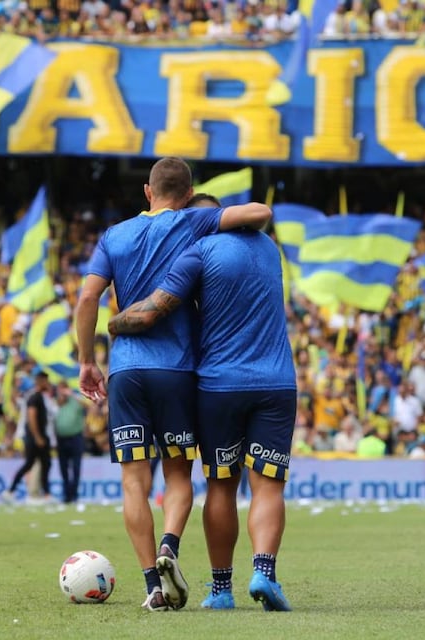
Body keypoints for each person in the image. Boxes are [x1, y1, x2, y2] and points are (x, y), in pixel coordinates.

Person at [75, 158, 272, 611]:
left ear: (147, 191)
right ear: (187, 193)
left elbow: (88, 297)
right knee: (178, 473)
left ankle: (152, 586)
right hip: (178, 371)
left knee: (133, 481)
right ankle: (170, 545)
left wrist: (88, 360)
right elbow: (260, 212)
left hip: (125, 370)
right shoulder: (194, 219)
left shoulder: (115, 235)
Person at [108, 191, 295, 612]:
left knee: (221, 486)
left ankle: (222, 589)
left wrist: (114, 324)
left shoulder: (198, 250)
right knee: (268, 486)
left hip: (218, 385)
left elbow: (150, 313)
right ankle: (264, 571)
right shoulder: (270, 249)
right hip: (278, 382)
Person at [5, 372, 51, 502]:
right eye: (46, 381)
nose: (48, 384)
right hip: (34, 437)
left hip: (38, 436)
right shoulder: (34, 397)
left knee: (43, 464)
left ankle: (45, 494)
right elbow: (31, 417)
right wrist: (37, 437)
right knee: (32, 464)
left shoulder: (39, 396)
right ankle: (12, 490)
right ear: (41, 381)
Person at [55, 381, 88, 504]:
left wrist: (72, 395)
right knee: (63, 468)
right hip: (61, 438)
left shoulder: (75, 401)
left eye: (64, 389)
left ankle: (74, 494)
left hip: (75, 437)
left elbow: (88, 406)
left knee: (76, 467)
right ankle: (66, 495)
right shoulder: (57, 403)